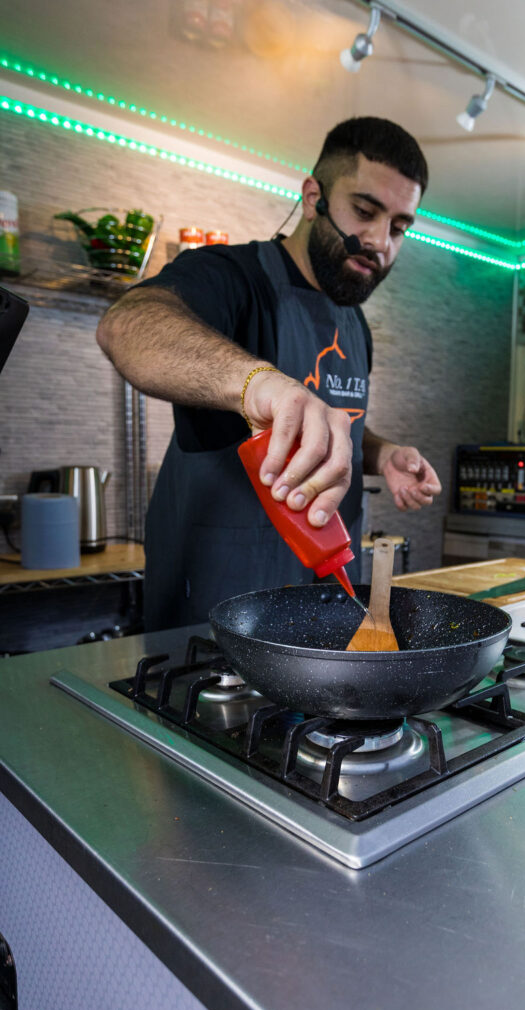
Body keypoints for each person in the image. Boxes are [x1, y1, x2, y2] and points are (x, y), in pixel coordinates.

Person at [97, 116, 442, 629]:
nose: (379, 241)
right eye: (364, 211)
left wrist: (382, 454)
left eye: (398, 228)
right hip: (217, 613)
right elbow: (125, 326)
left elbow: (337, 420)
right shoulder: (233, 277)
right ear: (313, 197)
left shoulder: (355, 324)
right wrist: (258, 383)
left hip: (327, 607)